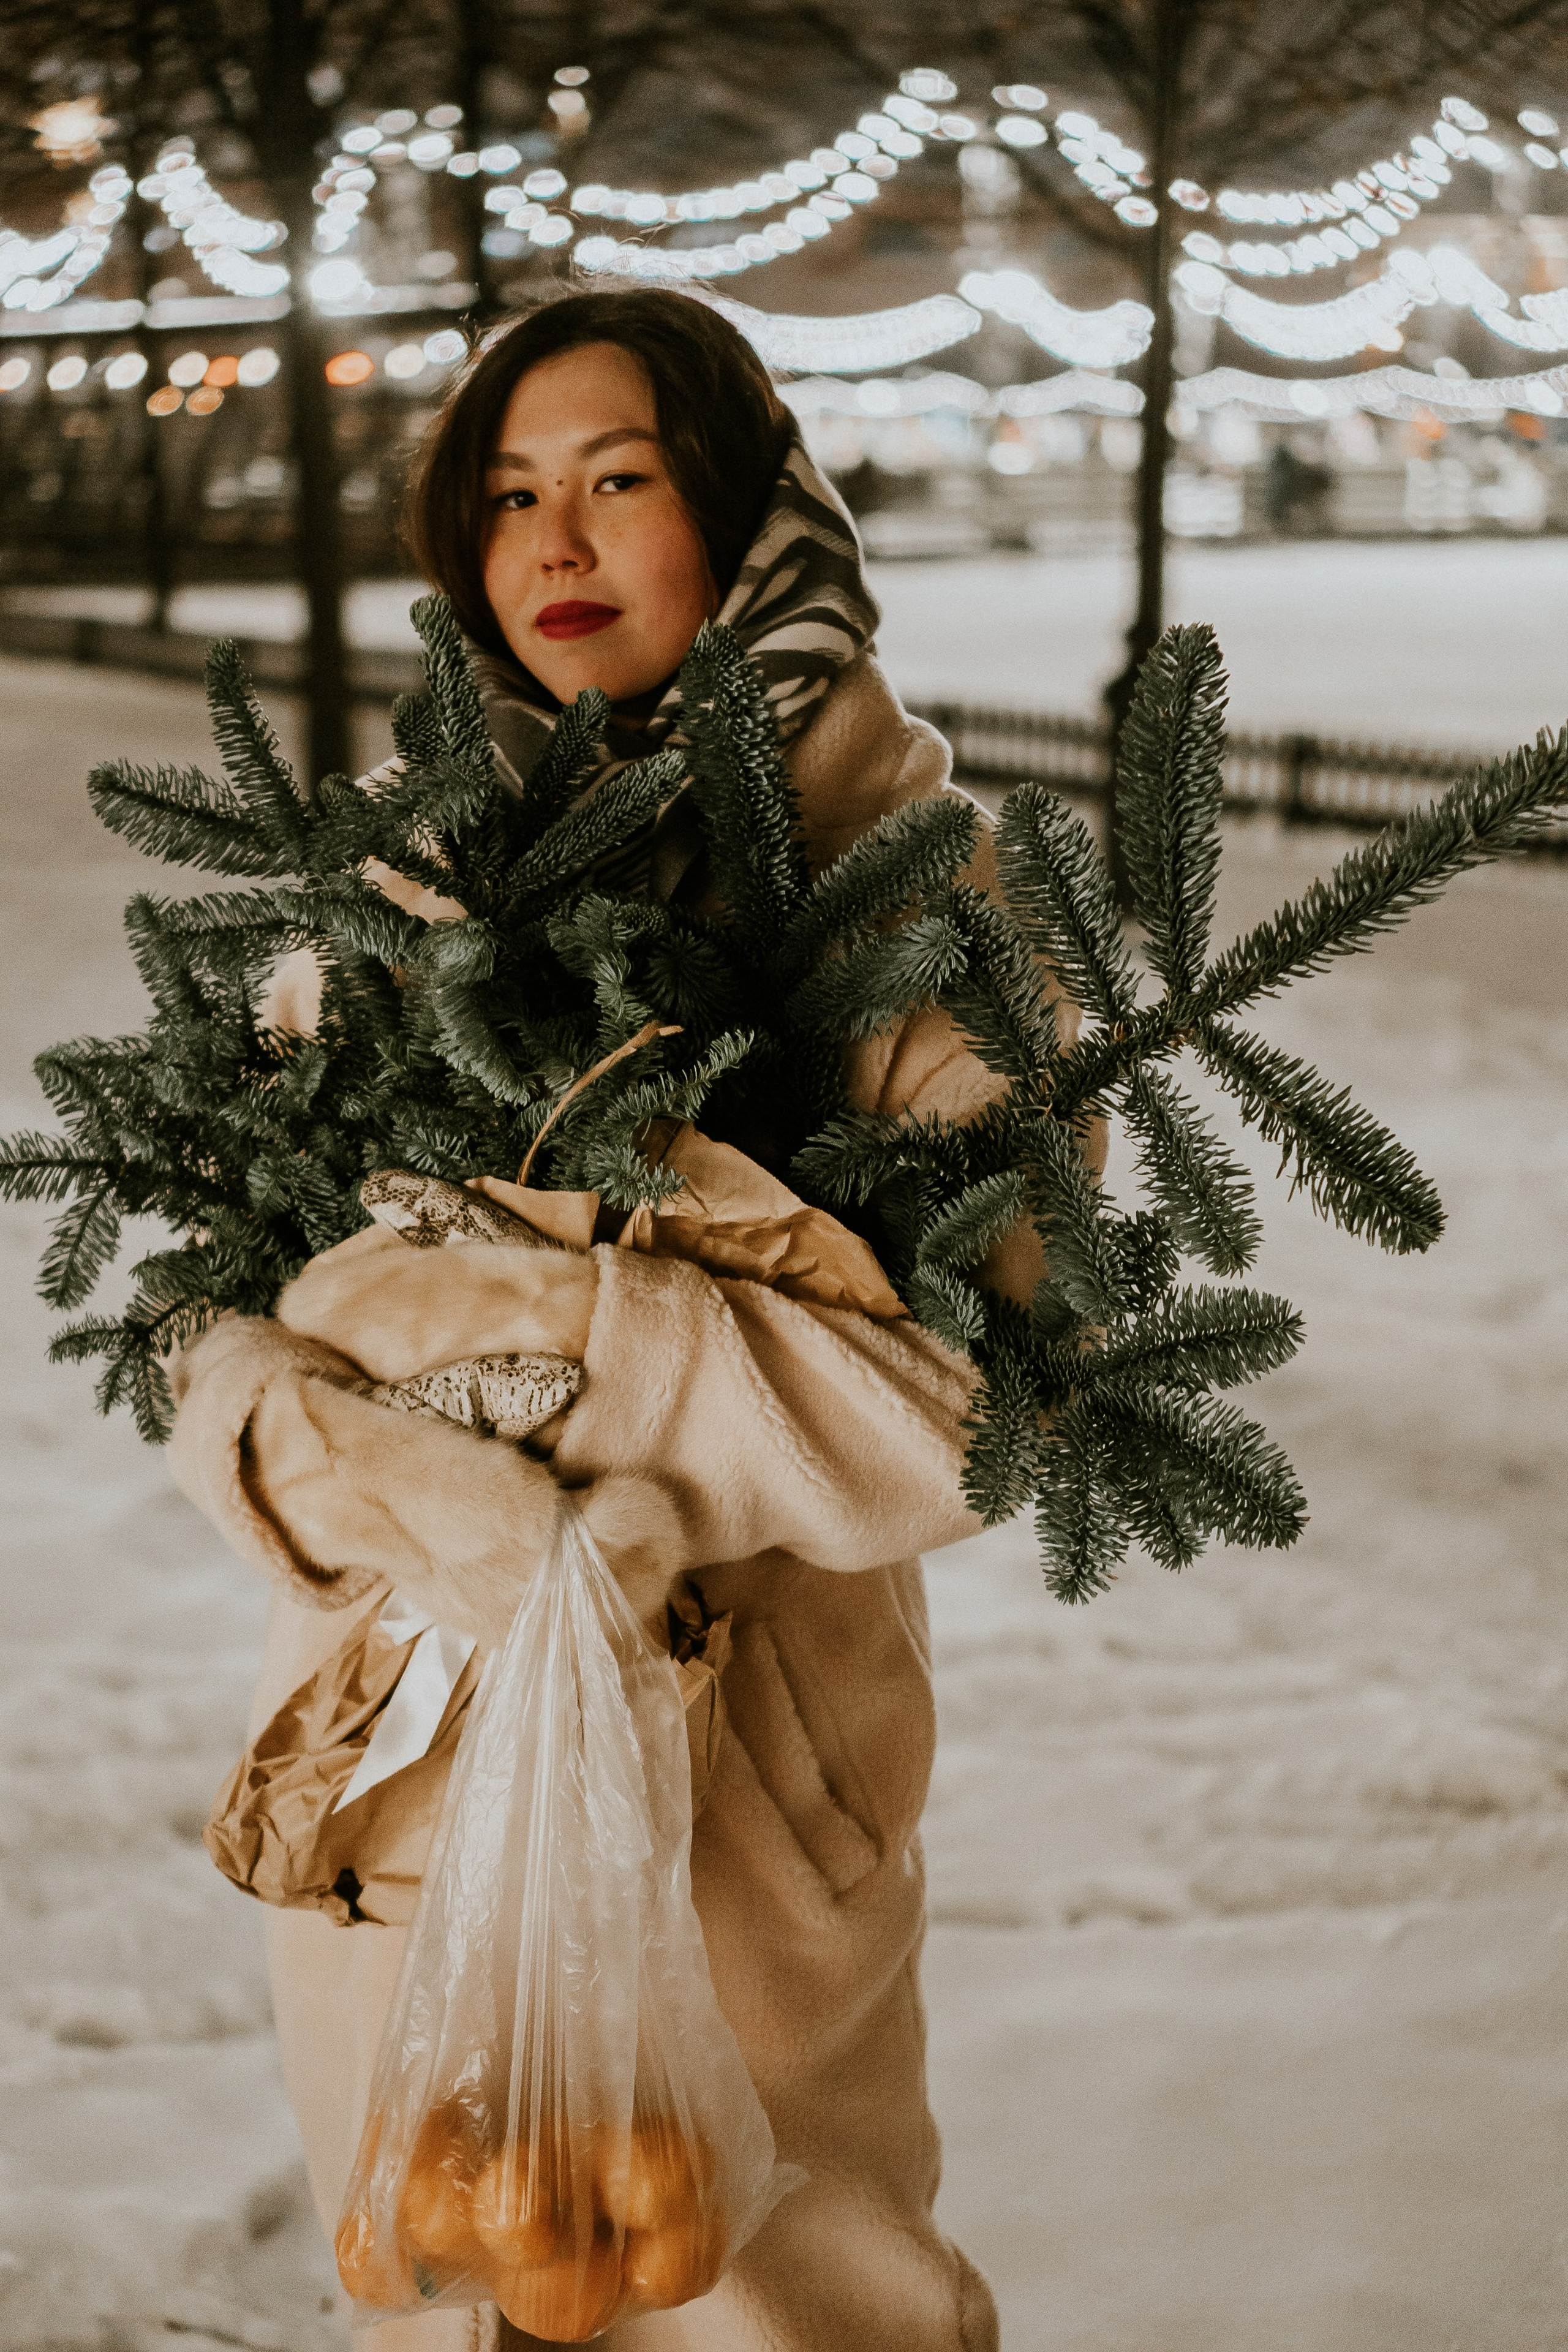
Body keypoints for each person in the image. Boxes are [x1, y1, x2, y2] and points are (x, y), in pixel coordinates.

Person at [169, 288, 1089, 2351]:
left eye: (617, 480)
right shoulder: (403, 894)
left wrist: (542, 1327)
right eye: (507, 496)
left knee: (770, 2313)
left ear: (756, 518)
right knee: (429, 2299)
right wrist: (316, 1442)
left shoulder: (916, 890)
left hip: (734, 1818)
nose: (553, 547)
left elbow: (978, 1403)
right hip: (394, 1790)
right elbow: (233, 1311)